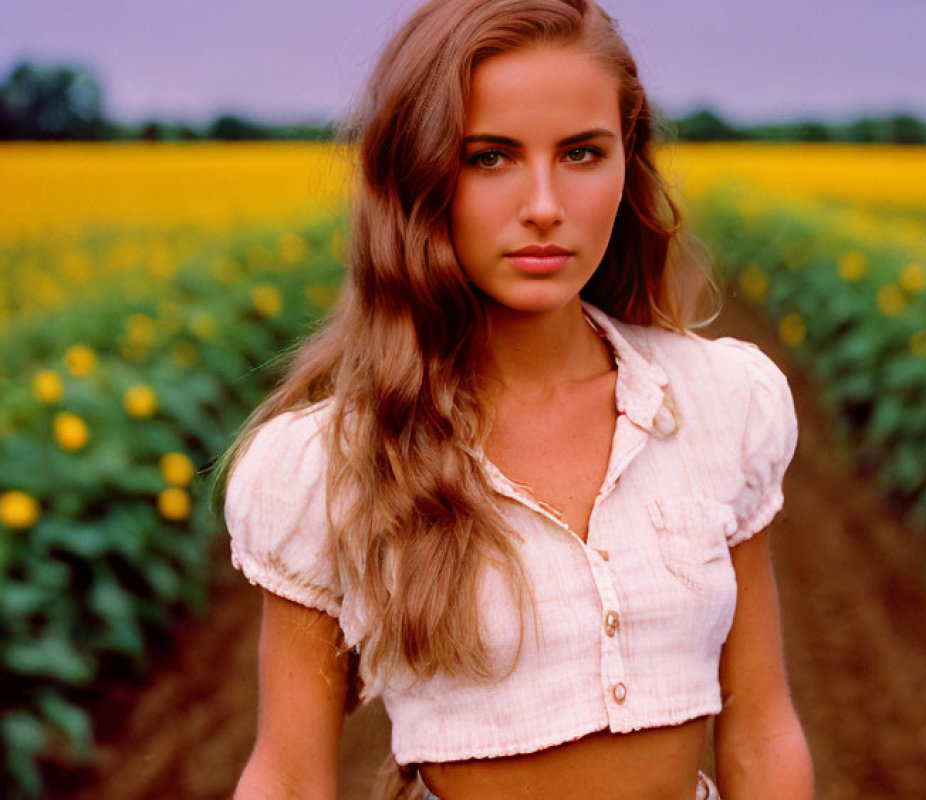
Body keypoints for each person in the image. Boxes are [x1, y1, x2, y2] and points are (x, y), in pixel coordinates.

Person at [215, 0, 815, 798]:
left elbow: (763, 726)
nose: (543, 204)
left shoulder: (718, 402)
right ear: (420, 174)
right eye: (490, 157)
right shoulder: (328, 464)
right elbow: (289, 777)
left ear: (627, 165)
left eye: (581, 153)